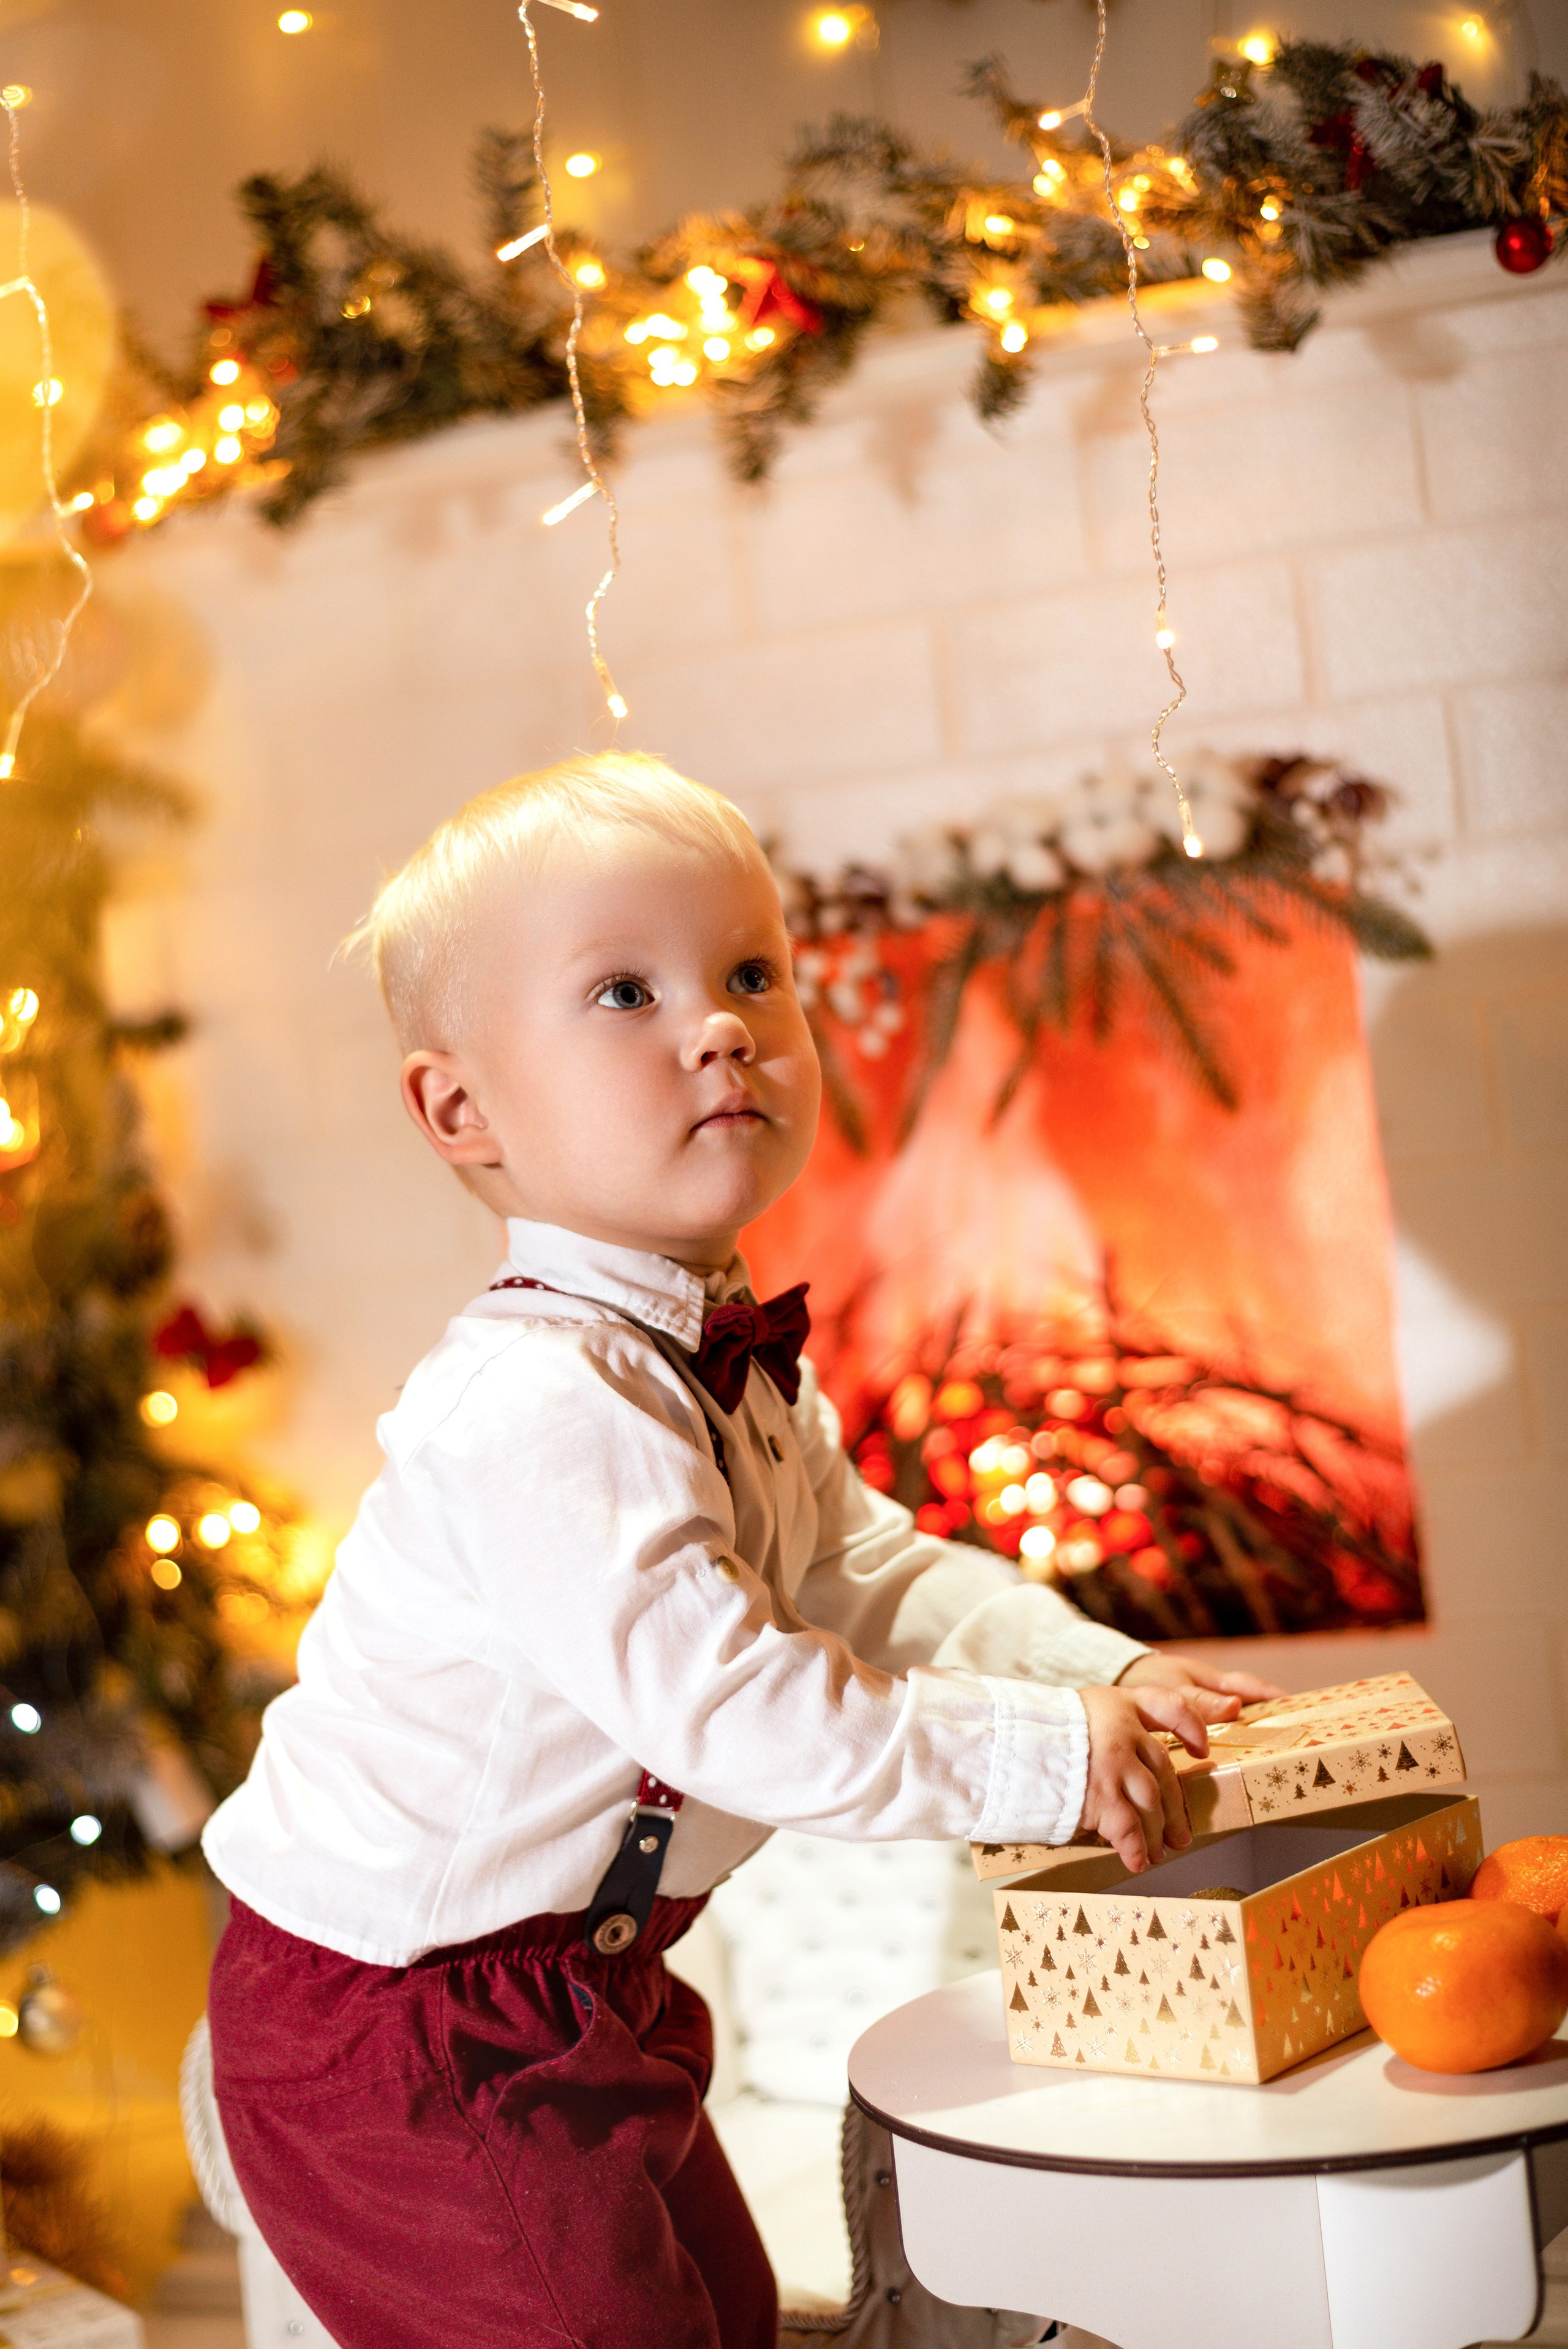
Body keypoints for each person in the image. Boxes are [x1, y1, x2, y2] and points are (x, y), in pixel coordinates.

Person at [202, 751, 1281, 2349]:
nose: (719, 1026)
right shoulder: (540, 1403)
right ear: (462, 1110)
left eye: (753, 974)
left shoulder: (716, 1357)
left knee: (730, 2312)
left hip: (587, 1983)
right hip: (406, 2022)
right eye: (624, 991)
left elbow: (865, 1577)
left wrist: (1099, 1672)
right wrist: (1047, 1758)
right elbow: (737, 1712)